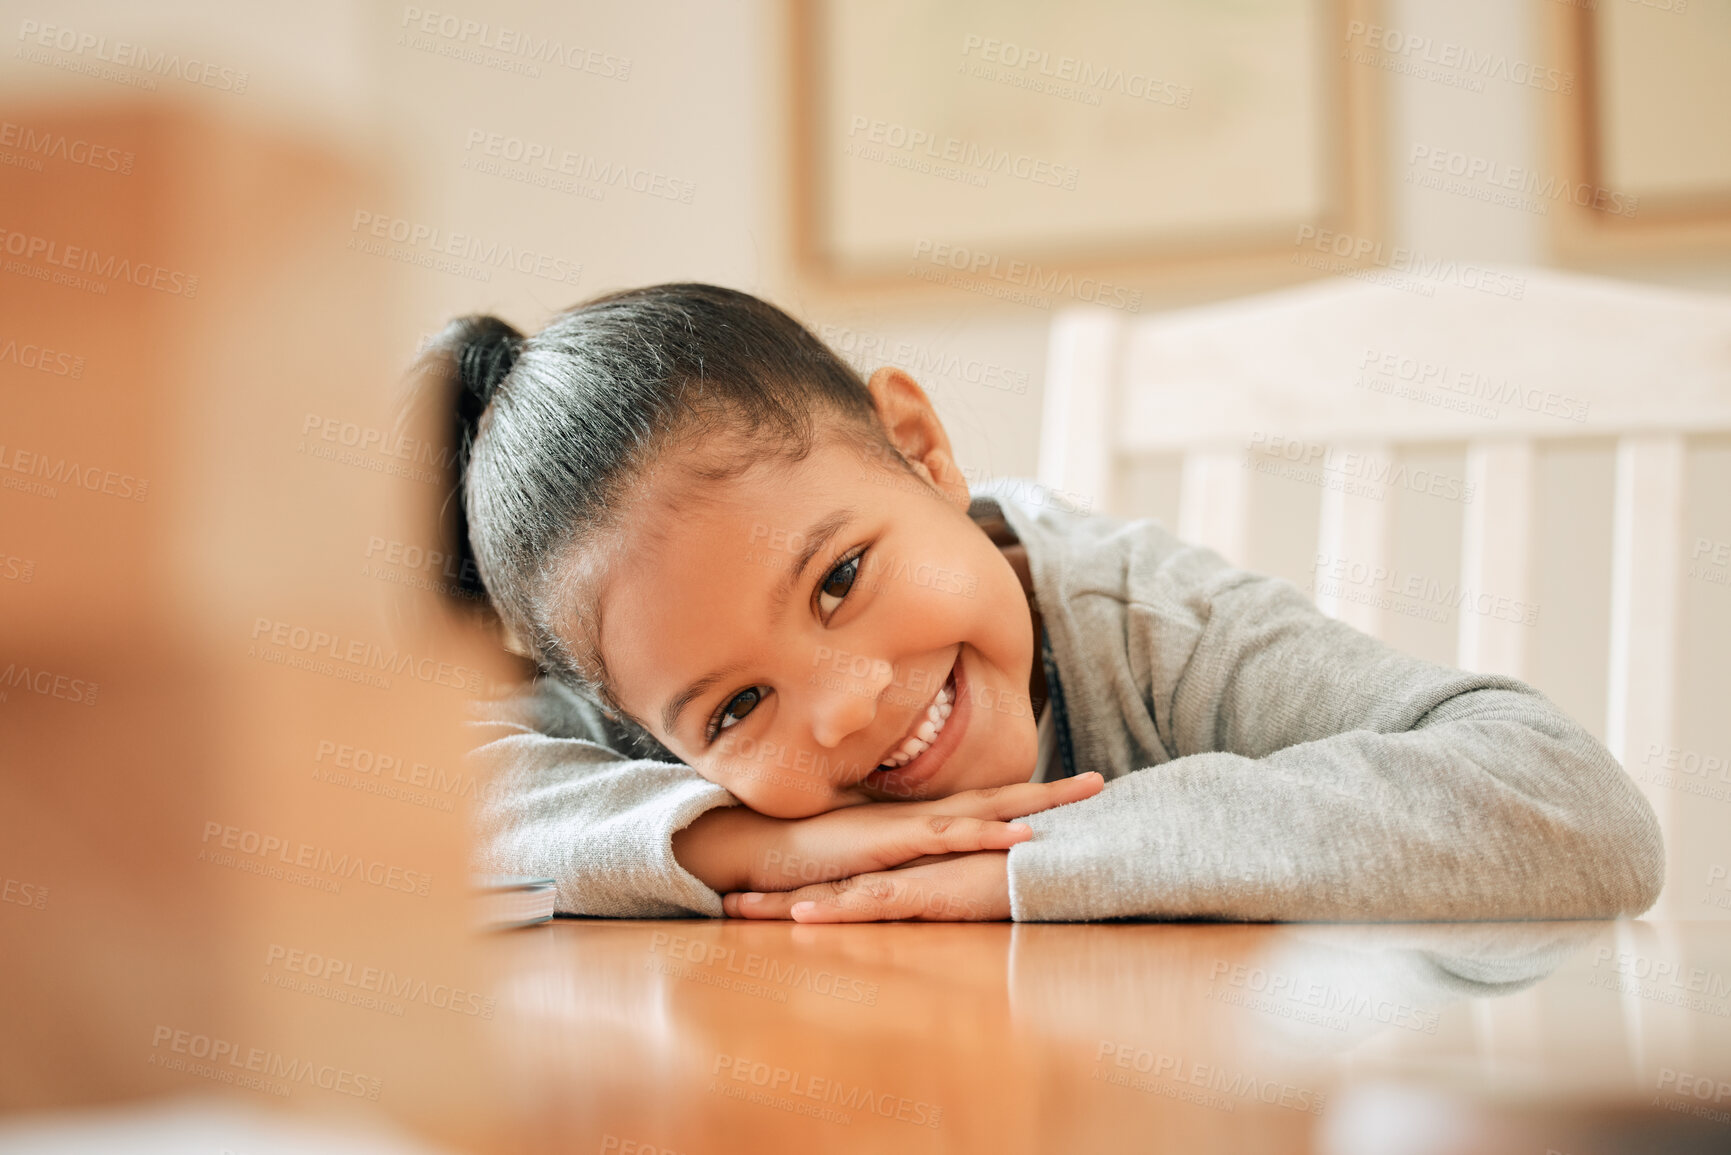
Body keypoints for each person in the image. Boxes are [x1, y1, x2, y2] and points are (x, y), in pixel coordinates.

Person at [420, 283, 1664, 923]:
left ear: (919, 448)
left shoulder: (1143, 629)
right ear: (650, 731)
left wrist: (1032, 859)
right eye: (737, 708)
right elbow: (394, 791)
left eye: (841, 578)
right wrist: (751, 843)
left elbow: (1572, 805)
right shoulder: (678, 736)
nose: (847, 708)